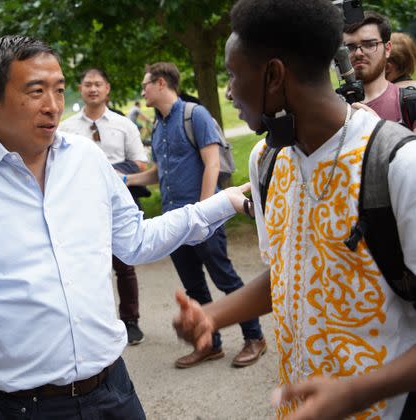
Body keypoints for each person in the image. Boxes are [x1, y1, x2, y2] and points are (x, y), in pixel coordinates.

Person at [0, 35, 253, 419]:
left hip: (115, 391)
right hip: (26, 407)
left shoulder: (86, 158)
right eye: (35, 91)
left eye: (59, 90)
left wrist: (223, 202)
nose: (53, 106)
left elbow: (136, 240)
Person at [173, 0, 416, 418]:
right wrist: (213, 315)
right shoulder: (267, 161)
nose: (229, 91)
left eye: (233, 74)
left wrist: (356, 393)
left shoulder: (398, 164)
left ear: (273, 75)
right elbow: (290, 272)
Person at [126, 62, 265, 369]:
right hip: (174, 223)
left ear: (161, 83)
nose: (143, 91)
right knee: (194, 288)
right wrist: (126, 180)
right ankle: (210, 344)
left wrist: (204, 211)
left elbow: (212, 164)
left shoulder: (194, 114)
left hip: (205, 219)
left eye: (145, 85)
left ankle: (254, 337)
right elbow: (159, 173)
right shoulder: (159, 126)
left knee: (225, 279)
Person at [59, 68, 148, 345]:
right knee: (84, 266)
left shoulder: (124, 125)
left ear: (107, 88)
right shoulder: (67, 128)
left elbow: (140, 164)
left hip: (119, 201)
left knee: (124, 264)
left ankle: (130, 320)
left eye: (98, 84)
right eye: (88, 84)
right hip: (80, 206)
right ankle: (93, 324)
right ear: (81, 89)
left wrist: (102, 172)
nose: (93, 89)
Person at [343, 12, 404, 122]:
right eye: (350, 47)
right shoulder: (331, 107)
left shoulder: (410, 104)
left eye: (370, 44)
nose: (358, 53)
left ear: (387, 49)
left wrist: (376, 126)